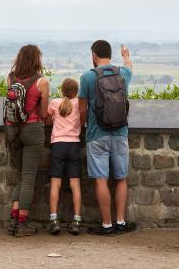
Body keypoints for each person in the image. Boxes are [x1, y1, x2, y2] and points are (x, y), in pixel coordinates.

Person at [78, 40, 136, 235]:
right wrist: (126, 55)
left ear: (94, 55)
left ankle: (107, 225)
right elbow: (129, 66)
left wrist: (84, 127)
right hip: (120, 133)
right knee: (121, 178)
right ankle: (120, 221)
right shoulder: (124, 74)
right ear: (110, 55)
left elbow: (82, 108)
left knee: (101, 179)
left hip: (96, 134)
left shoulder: (87, 77)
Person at [5, 44, 50, 237]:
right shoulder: (42, 82)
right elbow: (44, 112)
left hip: (12, 130)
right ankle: (22, 223)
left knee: (21, 175)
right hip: (32, 130)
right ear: (36, 59)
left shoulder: (11, 78)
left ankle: (14, 220)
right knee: (29, 177)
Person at [44, 78, 82, 235]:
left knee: (55, 184)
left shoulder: (54, 103)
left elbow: (46, 121)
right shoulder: (79, 103)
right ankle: (77, 220)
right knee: (75, 185)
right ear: (76, 92)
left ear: (61, 90)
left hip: (58, 145)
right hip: (74, 145)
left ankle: (54, 220)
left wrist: (53, 119)